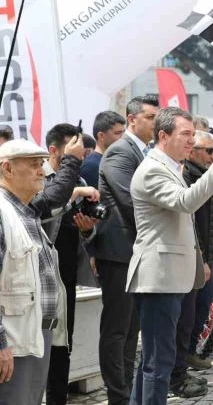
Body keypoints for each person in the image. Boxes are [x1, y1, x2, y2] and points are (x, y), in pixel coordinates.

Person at [127, 108, 213, 405]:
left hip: (171, 276)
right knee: (158, 362)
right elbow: (185, 202)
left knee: (154, 360)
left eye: (192, 134)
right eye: (185, 134)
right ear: (163, 136)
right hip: (159, 278)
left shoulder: (171, 166)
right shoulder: (153, 169)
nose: (192, 141)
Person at [93, 94, 158, 405]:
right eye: (150, 117)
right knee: (117, 330)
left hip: (137, 252)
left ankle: (128, 392)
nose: (156, 123)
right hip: (118, 252)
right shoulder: (120, 151)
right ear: (132, 119)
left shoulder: (144, 151)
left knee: (132, 330)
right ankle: (117, 396)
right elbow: (130, 201)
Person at [0, 140, 69, 405]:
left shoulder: (26, 211)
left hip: (35, 333)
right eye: (33, 165)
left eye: (41, 163)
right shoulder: (3, 212)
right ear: (7, 169)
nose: (42, 170)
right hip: (13, 340)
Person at [44, 124, 102, 405]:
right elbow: (42, 211)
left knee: (62, 345)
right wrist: (74, 191)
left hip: (66, 278)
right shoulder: (40, 178)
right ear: (53, 150)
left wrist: (88, 229)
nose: (77, 157)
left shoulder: (77, 178)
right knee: (40, 346)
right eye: (71, 152)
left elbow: (84, 234)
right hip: (41, 279)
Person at [169, 131, 213, 392]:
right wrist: (201, 258)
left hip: (204, 254)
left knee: (202, 303)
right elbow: (190, 222)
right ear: (193, 151)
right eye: (209, 151)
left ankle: (185, 359)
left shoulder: (202, 174)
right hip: (192, 256)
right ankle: (177, 371)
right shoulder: (186, 175)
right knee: (183, 318)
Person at [81, 111, 126, 189]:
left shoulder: (114, 160)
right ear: (101, 136)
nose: (123, 137)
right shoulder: (91, 166)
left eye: (123, 132)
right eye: (118, 133)